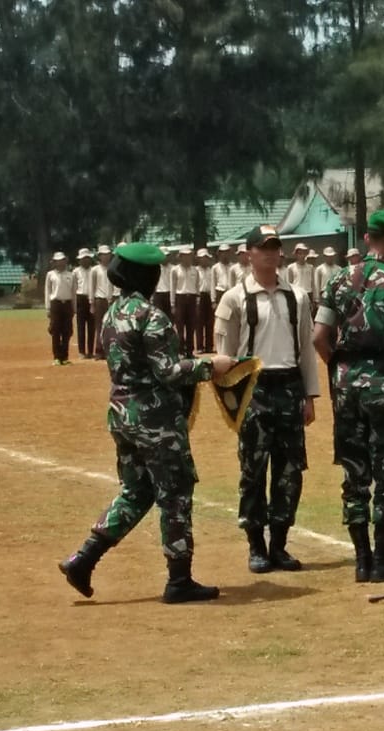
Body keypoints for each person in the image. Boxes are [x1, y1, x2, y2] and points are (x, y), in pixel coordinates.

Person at [59, 243, 230, 603]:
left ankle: (84, 559)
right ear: (147, 276)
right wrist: (208, 367)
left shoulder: (112, 314)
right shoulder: (150, 316)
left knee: (136, 491)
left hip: (122, 415)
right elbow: (168, 372)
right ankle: (179, 580)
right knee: (175, 493)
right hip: (156, 420)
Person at [313, 209, 384, 583]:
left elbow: (318, 337)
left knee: (354, 473)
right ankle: (381, 559)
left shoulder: (337, 280)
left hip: (345, 386)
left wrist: (340, 366)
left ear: (366, 239)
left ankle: (360, 560)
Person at [215, 225, 321, 574]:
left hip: (289, 386)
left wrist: (310, 395)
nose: (271, 254)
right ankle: (256, 546)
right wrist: (232, 402)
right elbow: (224, 355)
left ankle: (279, 544)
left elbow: (306, 348)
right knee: (254, 470)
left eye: (275, 247)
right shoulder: (234, 298)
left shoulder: (298, 296)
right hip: (253, 389)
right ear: (248, 254)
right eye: (264, 248)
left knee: (290, 472)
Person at [45, 251, 76, 365]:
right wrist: (48, 308)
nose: (60, 263)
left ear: (65, 262)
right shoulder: (50, 275)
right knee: (56, 330)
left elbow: (73, 293)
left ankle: (65, 356)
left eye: (62, 261)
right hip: (55, 304)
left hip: (67, 304)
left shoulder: (71, 275)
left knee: (67, 331)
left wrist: (74, 307)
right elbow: (48, 291)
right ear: (54, 263)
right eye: (58, 261)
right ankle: (57, 357)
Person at [170, 246, 199, 357]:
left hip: (191, 298)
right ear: (180, 257)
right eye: (184, 256)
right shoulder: (175, 270)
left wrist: (197, 302)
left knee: (191, 326)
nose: (187, 258)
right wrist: (172, 304)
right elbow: (173, 287)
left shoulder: (195, 270)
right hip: (180, 298)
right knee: (180, 327)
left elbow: (197, 287)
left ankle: (190, 351)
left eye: (189, 256)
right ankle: (181, 350)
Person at [89, 244, 115, 358]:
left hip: (112, 299)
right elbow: (92, 286)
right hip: (100, 299)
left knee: (112, 325)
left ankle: (110, 349)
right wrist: (92, 303)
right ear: (99, 256)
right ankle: (99, 350)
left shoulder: (113, 268)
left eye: (108, 254)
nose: (106, 257)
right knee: (99, 325)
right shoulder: (95, 270)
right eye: (103, 255)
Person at [73, 249, 94, 359]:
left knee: (91, 326)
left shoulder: (93, 270)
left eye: (87, 258)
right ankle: (81, 351)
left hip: (91, 298)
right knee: (81, 326)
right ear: (79, 260)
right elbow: (74, 288)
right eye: (83, 259)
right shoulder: (76, 272)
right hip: (80, 298)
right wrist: (74, 304)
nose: (85, 261)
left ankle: (90, 351)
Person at [195, 247, 215, 353]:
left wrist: (213, 300)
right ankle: (199, 347)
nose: (204, 260)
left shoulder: (210, 270)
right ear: (198, 259)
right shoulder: (196, 270)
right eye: (202, 258)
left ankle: (209, 346)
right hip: (199, 296)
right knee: (199, 322)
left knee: (209, 322)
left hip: (208, 296)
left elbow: (212, 285)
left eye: (206, 258)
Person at [153, 246, 176, 315]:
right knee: (159, 316)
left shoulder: (174, 268)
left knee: (170, 316)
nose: (164, 258)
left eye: (166, 256)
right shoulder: (154, 268)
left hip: (169, 294)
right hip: (158, 294)